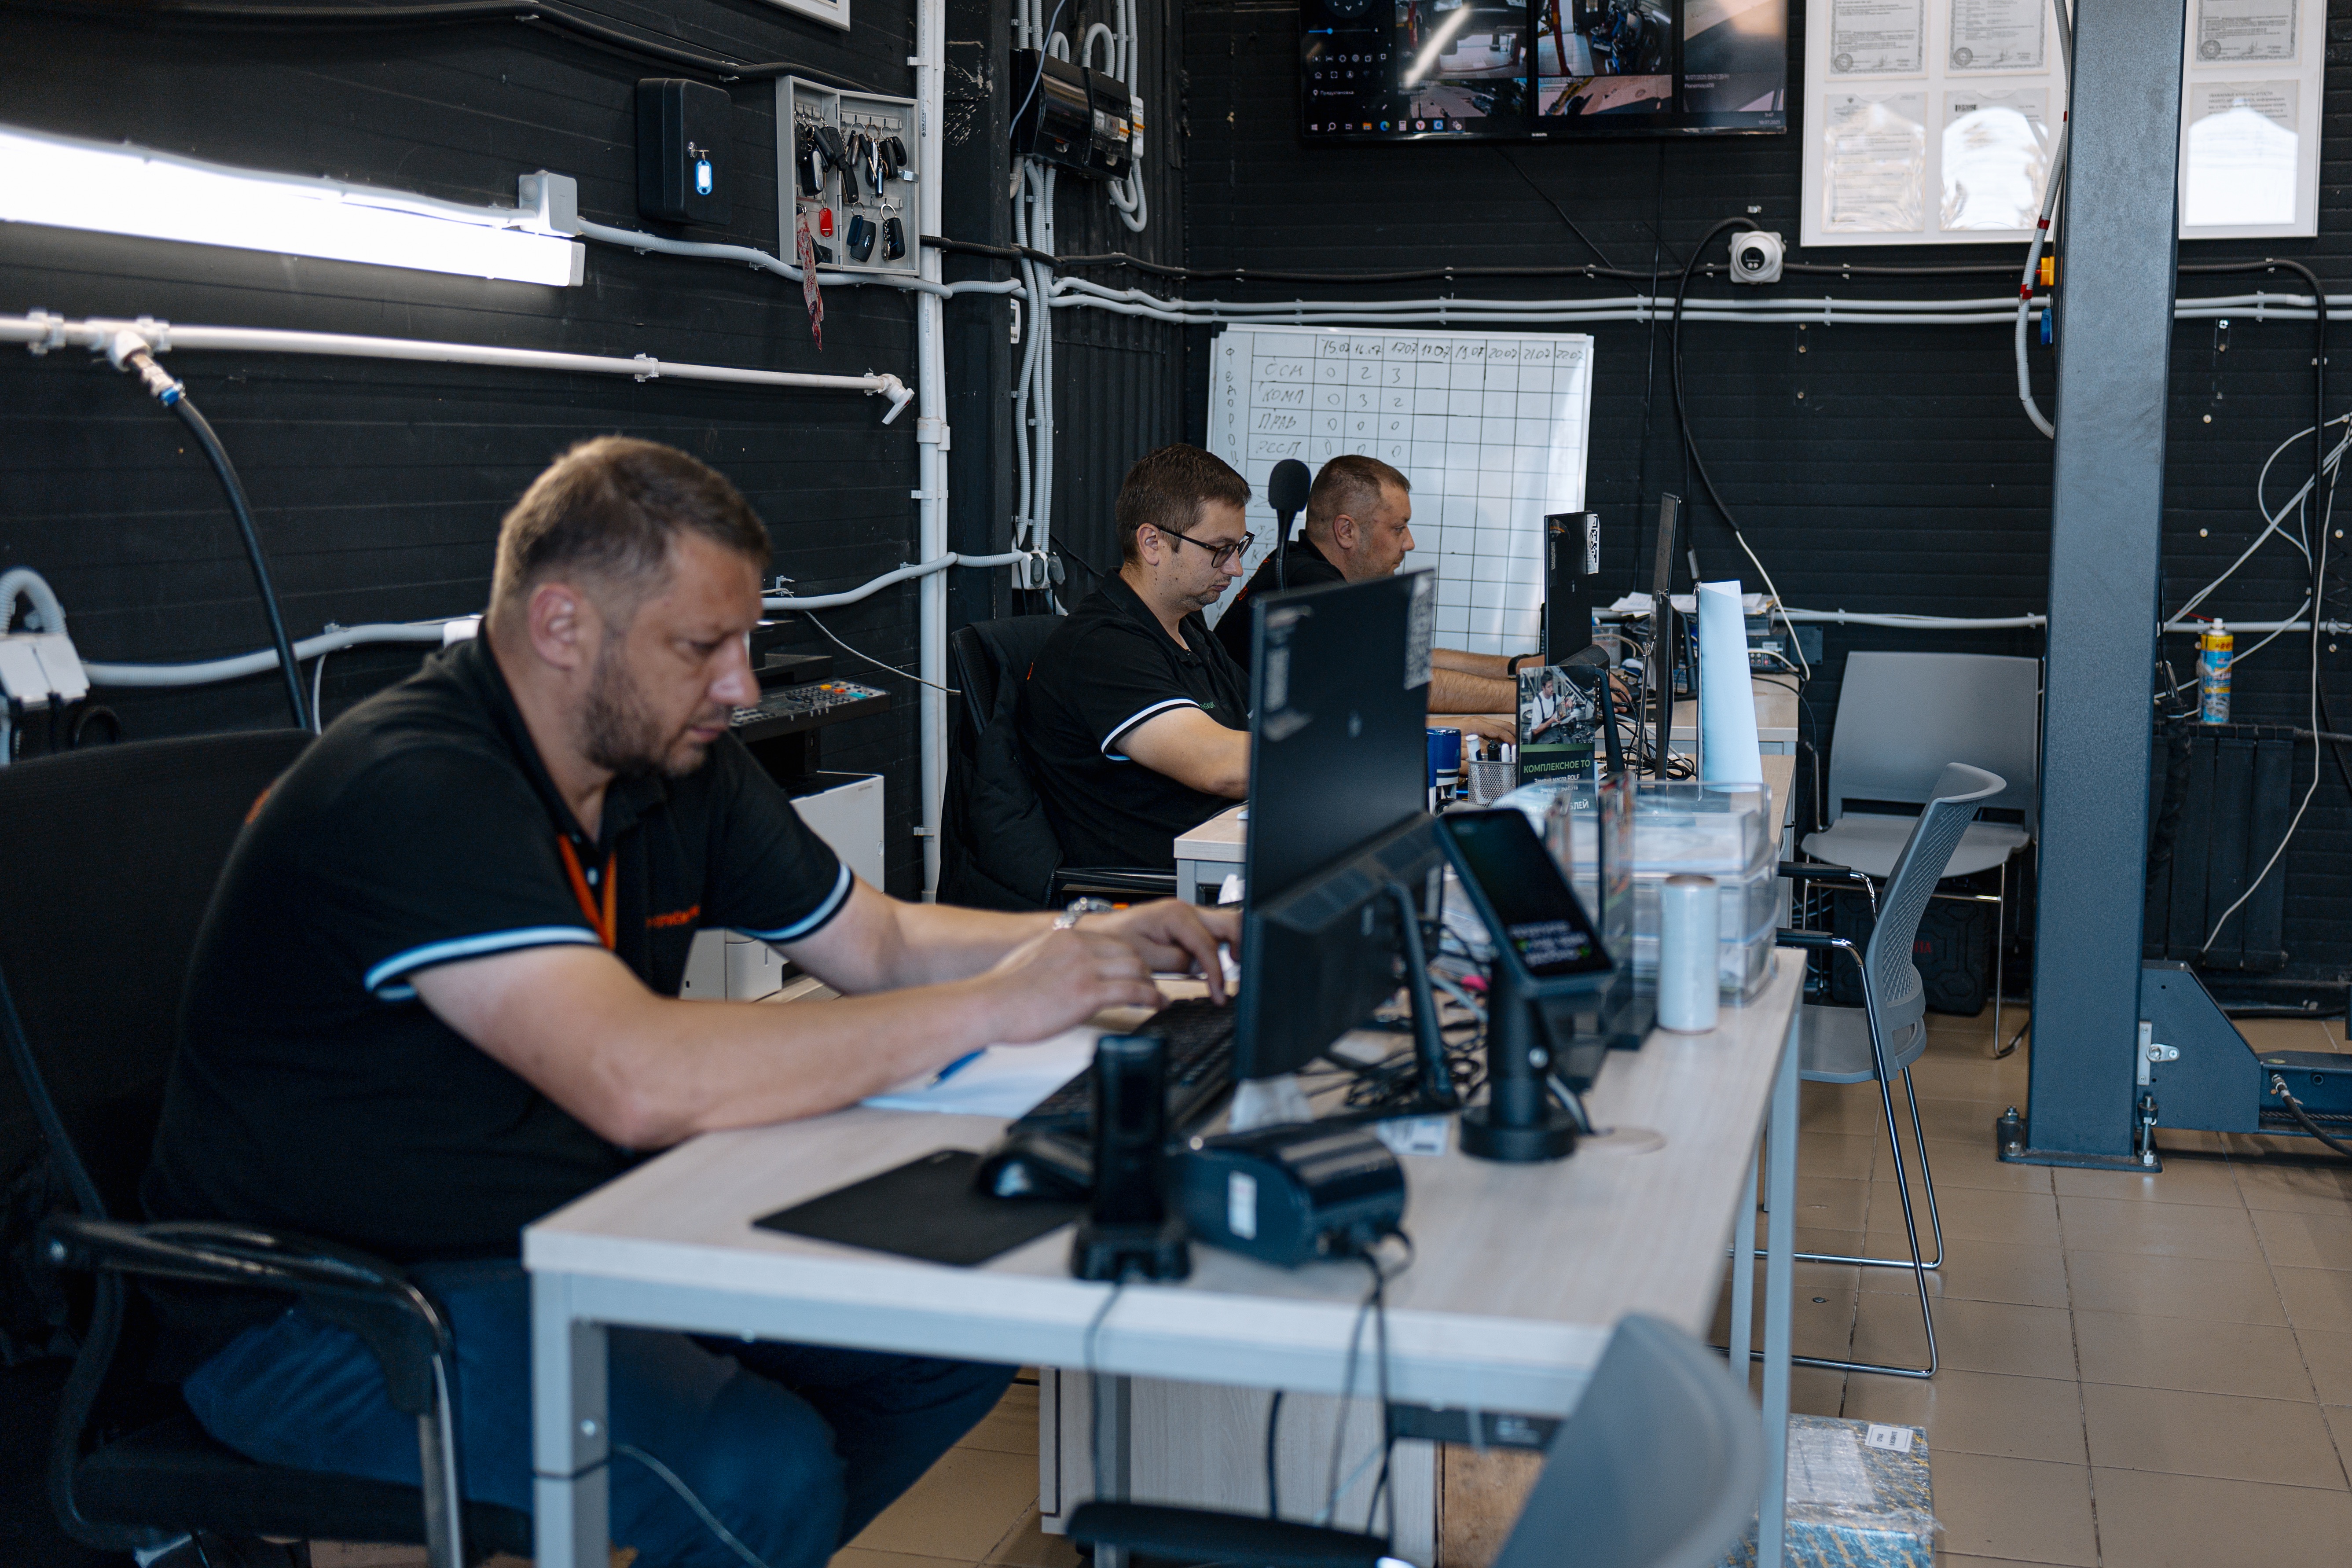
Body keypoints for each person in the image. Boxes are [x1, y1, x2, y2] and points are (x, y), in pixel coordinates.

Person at [140, 437, 1237, 1568]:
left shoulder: (668, 759)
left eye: (742, 643)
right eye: (700, 647)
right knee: (759, 1475)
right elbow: (639, 1080)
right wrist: (997, 1006)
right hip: (324, 1305)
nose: (740, 687)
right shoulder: (421, 786)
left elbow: (877, 939)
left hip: (569, 1236)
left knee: (940, 1344)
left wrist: (1086, 938)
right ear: (561, 625)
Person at [1019, 444, 1255, 870]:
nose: (1235, 568)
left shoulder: (1186, 628)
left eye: (1238, 547)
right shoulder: (1103, 648)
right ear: (1152, 543)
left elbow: (1263, 720)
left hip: (1217, 857)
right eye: (1220, 549)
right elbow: (1219, 765)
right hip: (1161, 891)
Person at [1211, 455, 1526, 735]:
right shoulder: (1310, 585)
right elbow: (1399, 680)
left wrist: (1517, 668)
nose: (1410, 543)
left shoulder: (1307, 567)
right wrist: (1530, 695)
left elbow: (1409, 659)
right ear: (1346, 531)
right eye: (1398, 528)